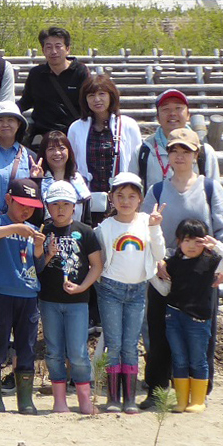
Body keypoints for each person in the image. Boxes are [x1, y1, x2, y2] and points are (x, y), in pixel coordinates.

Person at [143, 126, 223, 410]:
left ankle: (199, 393)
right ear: (167, 154)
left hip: (201, 272)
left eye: (186, 151)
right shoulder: (157, 189)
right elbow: (143, 228)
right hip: (166, 270)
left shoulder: (210, 187)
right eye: (174, 150)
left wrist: (220, 266)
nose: (179, 156)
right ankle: (158, 390)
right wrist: (156, 259)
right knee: (158, 332)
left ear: (197, 155)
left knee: (201, 331)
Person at [95, 172, 164, 413]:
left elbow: (159, 253)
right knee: (113, 344)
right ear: (111, 198)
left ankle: (130, 398)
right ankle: (113, 398)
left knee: (131, 344)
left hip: (137, 291)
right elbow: (99, 259)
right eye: (120, 196)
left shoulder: (147, 221)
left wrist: (155, 228)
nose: (126, 201)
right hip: (110, 289)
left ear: (140, 199)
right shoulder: (105, 227)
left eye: (131, 196)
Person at [0, 177, 46, 416]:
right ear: (8, 199)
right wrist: (14, 229)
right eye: (20, 204)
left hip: (28, 295)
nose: (26, 210)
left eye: (31, 207)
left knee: (27, 348)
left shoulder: (34, 230)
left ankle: (25, 399)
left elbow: (37, 265)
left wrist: (39, 249)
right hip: (1, 293)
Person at [156, 218, 223, 414]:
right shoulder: (173, 263)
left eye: (197, 241)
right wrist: (154, 272)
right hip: (173, 316)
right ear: (178, 241)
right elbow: (164, 288)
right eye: (186, 240)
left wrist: (216, 245)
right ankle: (181, 400)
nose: (191, 246)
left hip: (199, 319)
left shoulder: (210, 262)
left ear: (205, 241)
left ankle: (198, 400)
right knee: (179, 358)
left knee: (198, 359)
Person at [36, 182, 103, 416]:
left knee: (77, 352)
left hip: (78, 301)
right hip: (49, 300)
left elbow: (97, 265)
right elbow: (36, 267)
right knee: (53, 350)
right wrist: (48, 254)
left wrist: (82, 287)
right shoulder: (42, 231)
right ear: (48, 207)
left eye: (66, 204)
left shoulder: (85, 231)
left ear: (74, 206)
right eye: (55, 204)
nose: (61, 209)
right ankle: (59, 401)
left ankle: (84, 401)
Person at [68, 73, 141, 223]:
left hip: (121, 199)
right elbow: (72, 165)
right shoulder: (76, 128)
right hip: (89, 199)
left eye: (102, 94)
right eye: (91, 95)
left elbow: (136, 163)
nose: (97, 99)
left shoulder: (128, 125)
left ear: (111, 96)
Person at [18, 27, 90, 153]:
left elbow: (89, 102)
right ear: (43, 50)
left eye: (58, 46)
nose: (54, 51)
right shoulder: (36, 74)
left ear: (67, 49)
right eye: (49, 47)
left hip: (73, 133)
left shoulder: (80, 72)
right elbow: (25, 102)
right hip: (44, 134)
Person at [136, 88, 220, 192]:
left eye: (178, 108)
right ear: (157, 117)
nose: (172, 113)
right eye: (166, 109)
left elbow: (215, 192)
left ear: (188, 115)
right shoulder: (143, 150)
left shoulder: (204, 151)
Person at [0, 101, 40, 220]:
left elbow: (35, 195)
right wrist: (0, 218)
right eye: (0, 120)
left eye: (10, 120)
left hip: (21, 224)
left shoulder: (31, 157)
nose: (5, 124)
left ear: (19, 124)